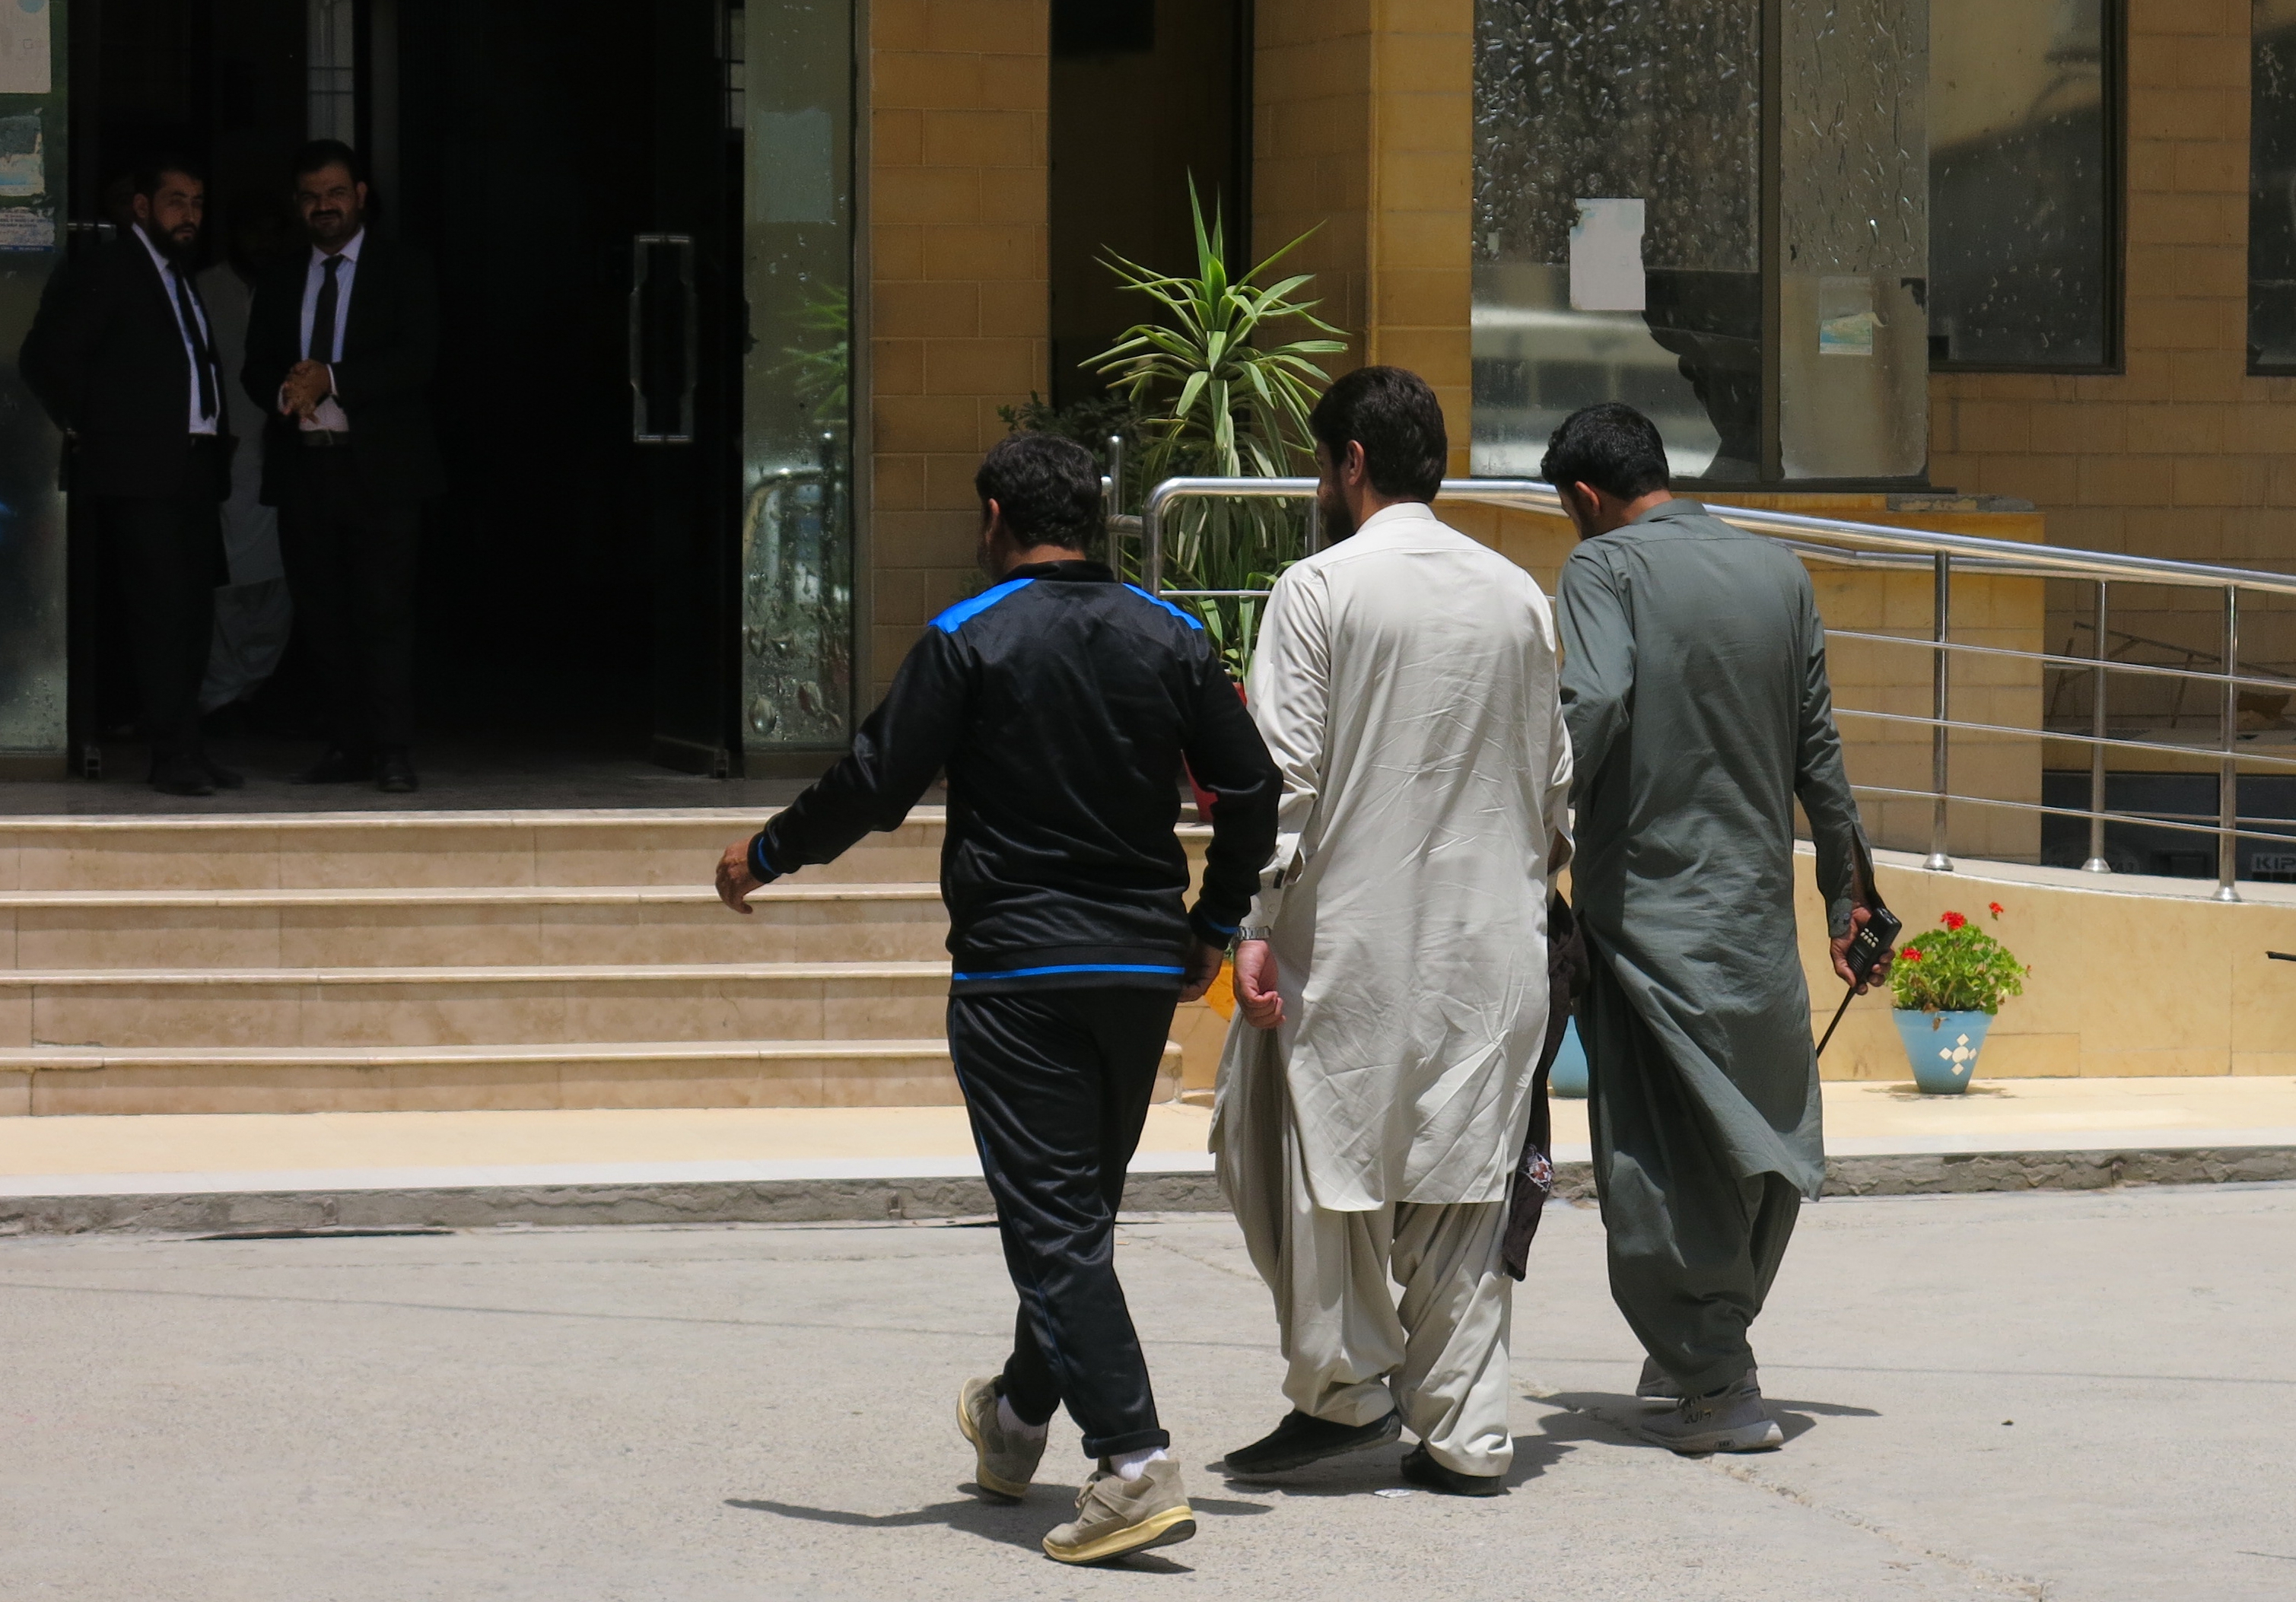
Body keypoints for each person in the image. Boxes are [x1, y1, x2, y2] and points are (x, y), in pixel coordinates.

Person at [714, 432, 1277, 1565]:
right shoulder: (1169, 636)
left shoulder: (967, 637)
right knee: (1075, 1214)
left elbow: (874, 785)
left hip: (1018, 974)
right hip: (1135, 973)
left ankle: (1130, 1461)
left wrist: (764, 852)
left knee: (1055, 1222)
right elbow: (1250, 785)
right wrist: (1211, 926)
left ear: (992, 517)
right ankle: (1018, 1418)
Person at [1214, 365, 1574, 1497]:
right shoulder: (1519, 594)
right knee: (1462, 1182)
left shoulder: (1318, 590)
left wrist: (1254, 920)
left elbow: (1283, 779)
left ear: (1351, 465)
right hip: (1490, 945)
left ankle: (1344, 1396)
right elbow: (1555, 788)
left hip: (1353, 943)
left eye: (1322, 464)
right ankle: (1466, 1428)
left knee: (1306, 1162)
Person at [1546, 402, 1888, 1454]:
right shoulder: (1776, 575)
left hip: (1645, 911)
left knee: (1652, 1153)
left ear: (1585, 498)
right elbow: (1817, 750)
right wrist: (1849, 895)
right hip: (1749, 918)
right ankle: (1700, 1342)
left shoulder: (1602, 571)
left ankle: (1713, 1374)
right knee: (1755, 1140)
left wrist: (1535, 823)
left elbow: (1592, 702)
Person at [21, 156, 236, 796]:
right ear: (142, 206)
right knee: (162, 616)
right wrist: (93, 426)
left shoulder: (179, 276)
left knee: (195, 614)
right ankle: (170, 756)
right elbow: (46, 357)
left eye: (197, 202)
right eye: (175, 201)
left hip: (194, 469)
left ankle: (187, 748)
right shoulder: (111, 269)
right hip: (143, 473)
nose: (188, 215)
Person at [244, 138, 442, 794]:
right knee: (322, 616)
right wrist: (288, 393)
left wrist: (333, 378)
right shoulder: (277, 276)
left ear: (360, 196)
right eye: (310, 197)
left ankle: (391, 750)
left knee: (383, 615)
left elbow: (419, 358)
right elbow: (253, 368)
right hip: (306, 467)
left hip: (380, 472)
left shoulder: (402, 268)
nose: (323, 207)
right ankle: (344, 745)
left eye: (334, 193)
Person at [196, 192, 298, 723]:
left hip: (285, 451)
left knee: (280, 581)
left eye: (272, 230)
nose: (263, 243)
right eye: (251, 230)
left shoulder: (298, 286)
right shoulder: (205, 289)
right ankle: (221, 696)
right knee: (229, 582)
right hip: (226, 454)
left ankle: (256, 691)